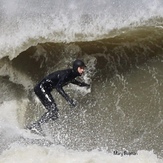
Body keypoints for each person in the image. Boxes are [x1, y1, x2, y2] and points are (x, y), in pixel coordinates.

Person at [28, 59, 90, 131]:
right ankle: (36, 125)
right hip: (41, 88)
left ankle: (34, 127)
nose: (83, 70)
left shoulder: (71, 75)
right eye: (81, 68)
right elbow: (58, 87)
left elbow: (76, 82)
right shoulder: (67, 74)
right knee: (53, 110)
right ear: (76, 68)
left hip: (45, 89)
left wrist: (87, 85)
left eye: (83, 68)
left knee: (54, 114)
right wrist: (69, 100)